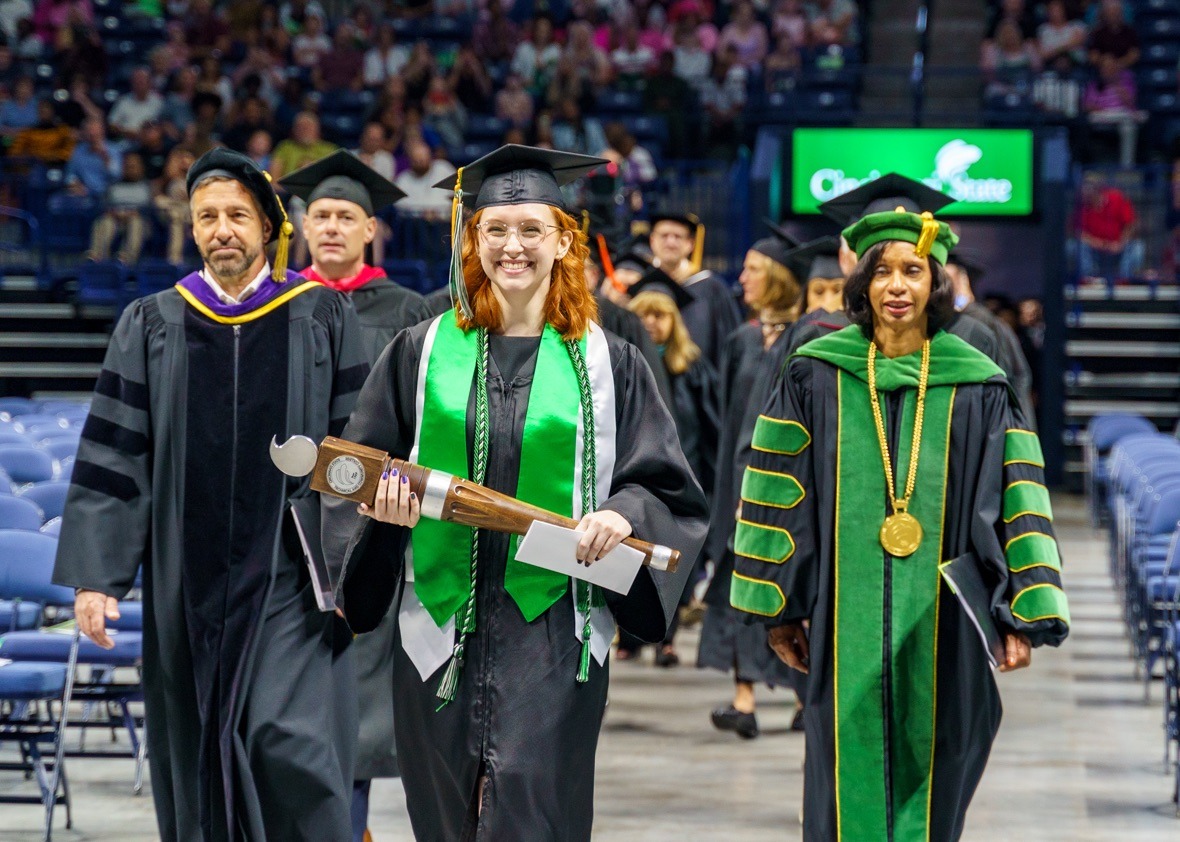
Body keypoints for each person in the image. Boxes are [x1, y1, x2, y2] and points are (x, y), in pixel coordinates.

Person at [322, 144, 708, 840]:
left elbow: (662, 483)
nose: (513, 246)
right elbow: (362, 469)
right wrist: (379, 516)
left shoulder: (609, 362)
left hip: (555, 632)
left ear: (564, 239)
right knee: (442, 820)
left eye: (532, 229)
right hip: (435, 632)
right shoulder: (420, 351)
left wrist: (622, 516)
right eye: (496, 229)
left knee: (536, 811)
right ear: (473, 237)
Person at [52, 147, 366, 841]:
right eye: (207, 218)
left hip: (291, 573)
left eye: (237, 216)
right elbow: (116, 455)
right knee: (194, 750)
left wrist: (353, 559)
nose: (222, 229)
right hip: (184, 576)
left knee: (289, 742)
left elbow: (357, 449)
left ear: (267, 227)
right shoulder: (152, 322)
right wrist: (97, 579)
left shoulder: (320, 317)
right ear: (192, 230)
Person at [731, 205, 1069, 840]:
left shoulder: (979, 383)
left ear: (934, 282)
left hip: (944, 619)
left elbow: (1019, 495)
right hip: (840, 617)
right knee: (838, 769)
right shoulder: (815, 372)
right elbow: (780, 493)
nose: (896, 286)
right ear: (861, 282)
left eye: (912, 271)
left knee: (941, 764)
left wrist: (1021, 610)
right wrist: (778, 607)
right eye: (881, 271)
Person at [279, 149, 432, 842]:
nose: (332, 227)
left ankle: (352, 827)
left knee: (359, 691)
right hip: (288, 526)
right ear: (303, 227)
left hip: (369, 525)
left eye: (346, 216)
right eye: (320, 216)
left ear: (371, 230)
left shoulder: (409, 313)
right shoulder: (276, 305)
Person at [699, 231, 804, 738]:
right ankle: (745, 698)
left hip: (788, 489)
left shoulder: (807, 339)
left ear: (779, 278)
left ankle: (805, 694)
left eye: (753, 268)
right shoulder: (741, 340)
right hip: (738, 482)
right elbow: (724, 422)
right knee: (740, 587)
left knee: (792, 587)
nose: (742, 278)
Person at [623, 269, 720, 667]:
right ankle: (629, 636)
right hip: (636, 479)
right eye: (643, 315)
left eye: (659, 315)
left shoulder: (692, 367)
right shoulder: (623, 365)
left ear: (674, 321)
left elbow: (712, 427)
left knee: (676, 558)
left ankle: (668, 639)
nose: (651, 324)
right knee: (631, 555)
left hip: (684, 478)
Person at [946, 247, 1035, 424]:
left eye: (947, 278)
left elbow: (1012, 380)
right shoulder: (938, 324)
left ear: (963, 280)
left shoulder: (984, 325)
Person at [647, 211, 742, 369]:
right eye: (664, 235)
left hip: (699, 385)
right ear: (652, 241)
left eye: (678, 237)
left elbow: (727, 346)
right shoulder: (641, 286)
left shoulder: (712, 288)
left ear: (690, 244)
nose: (670, 242)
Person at [86, 150, 151, 265]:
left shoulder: (147, 187)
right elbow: (104, 206)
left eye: (133, 166)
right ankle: (97, 258)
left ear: (141, 168)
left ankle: (126, 259)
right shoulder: (114, 186)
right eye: (127, 166)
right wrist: (112, 212)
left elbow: (151, 210)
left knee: (136, 223)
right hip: (115, 220)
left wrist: (135, 213)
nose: (130, 169)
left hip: (140, 222)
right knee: (105, 222)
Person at [1074, 174, 1143, 280]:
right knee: (1075, 246)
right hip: (1095, 249)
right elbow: (1078, 232)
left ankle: (1124, 281)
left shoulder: (1116, 198)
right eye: (1083, 190)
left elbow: (1131, 224)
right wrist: (1098, 243)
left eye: (1087, 190)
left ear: (1097, 190)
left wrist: (1120, 243)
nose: (1084, 194)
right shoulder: (1082, 206)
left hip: (1118, 248)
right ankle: (1088, 280)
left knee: (1137, 247)